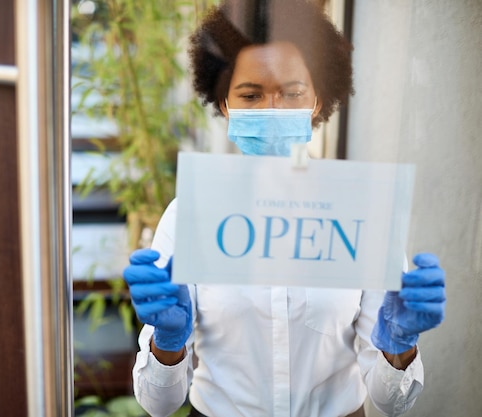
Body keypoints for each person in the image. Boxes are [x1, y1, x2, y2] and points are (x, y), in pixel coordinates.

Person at [123, 1, 446, 416]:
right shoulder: (190, 215)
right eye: (251, 95)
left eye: (292, 92)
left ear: (317, 100)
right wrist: (166, 344)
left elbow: (391, 402)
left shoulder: (364, 214)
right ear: (225, 104)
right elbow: (158, 405)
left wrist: (399, 348)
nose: (273, 109)